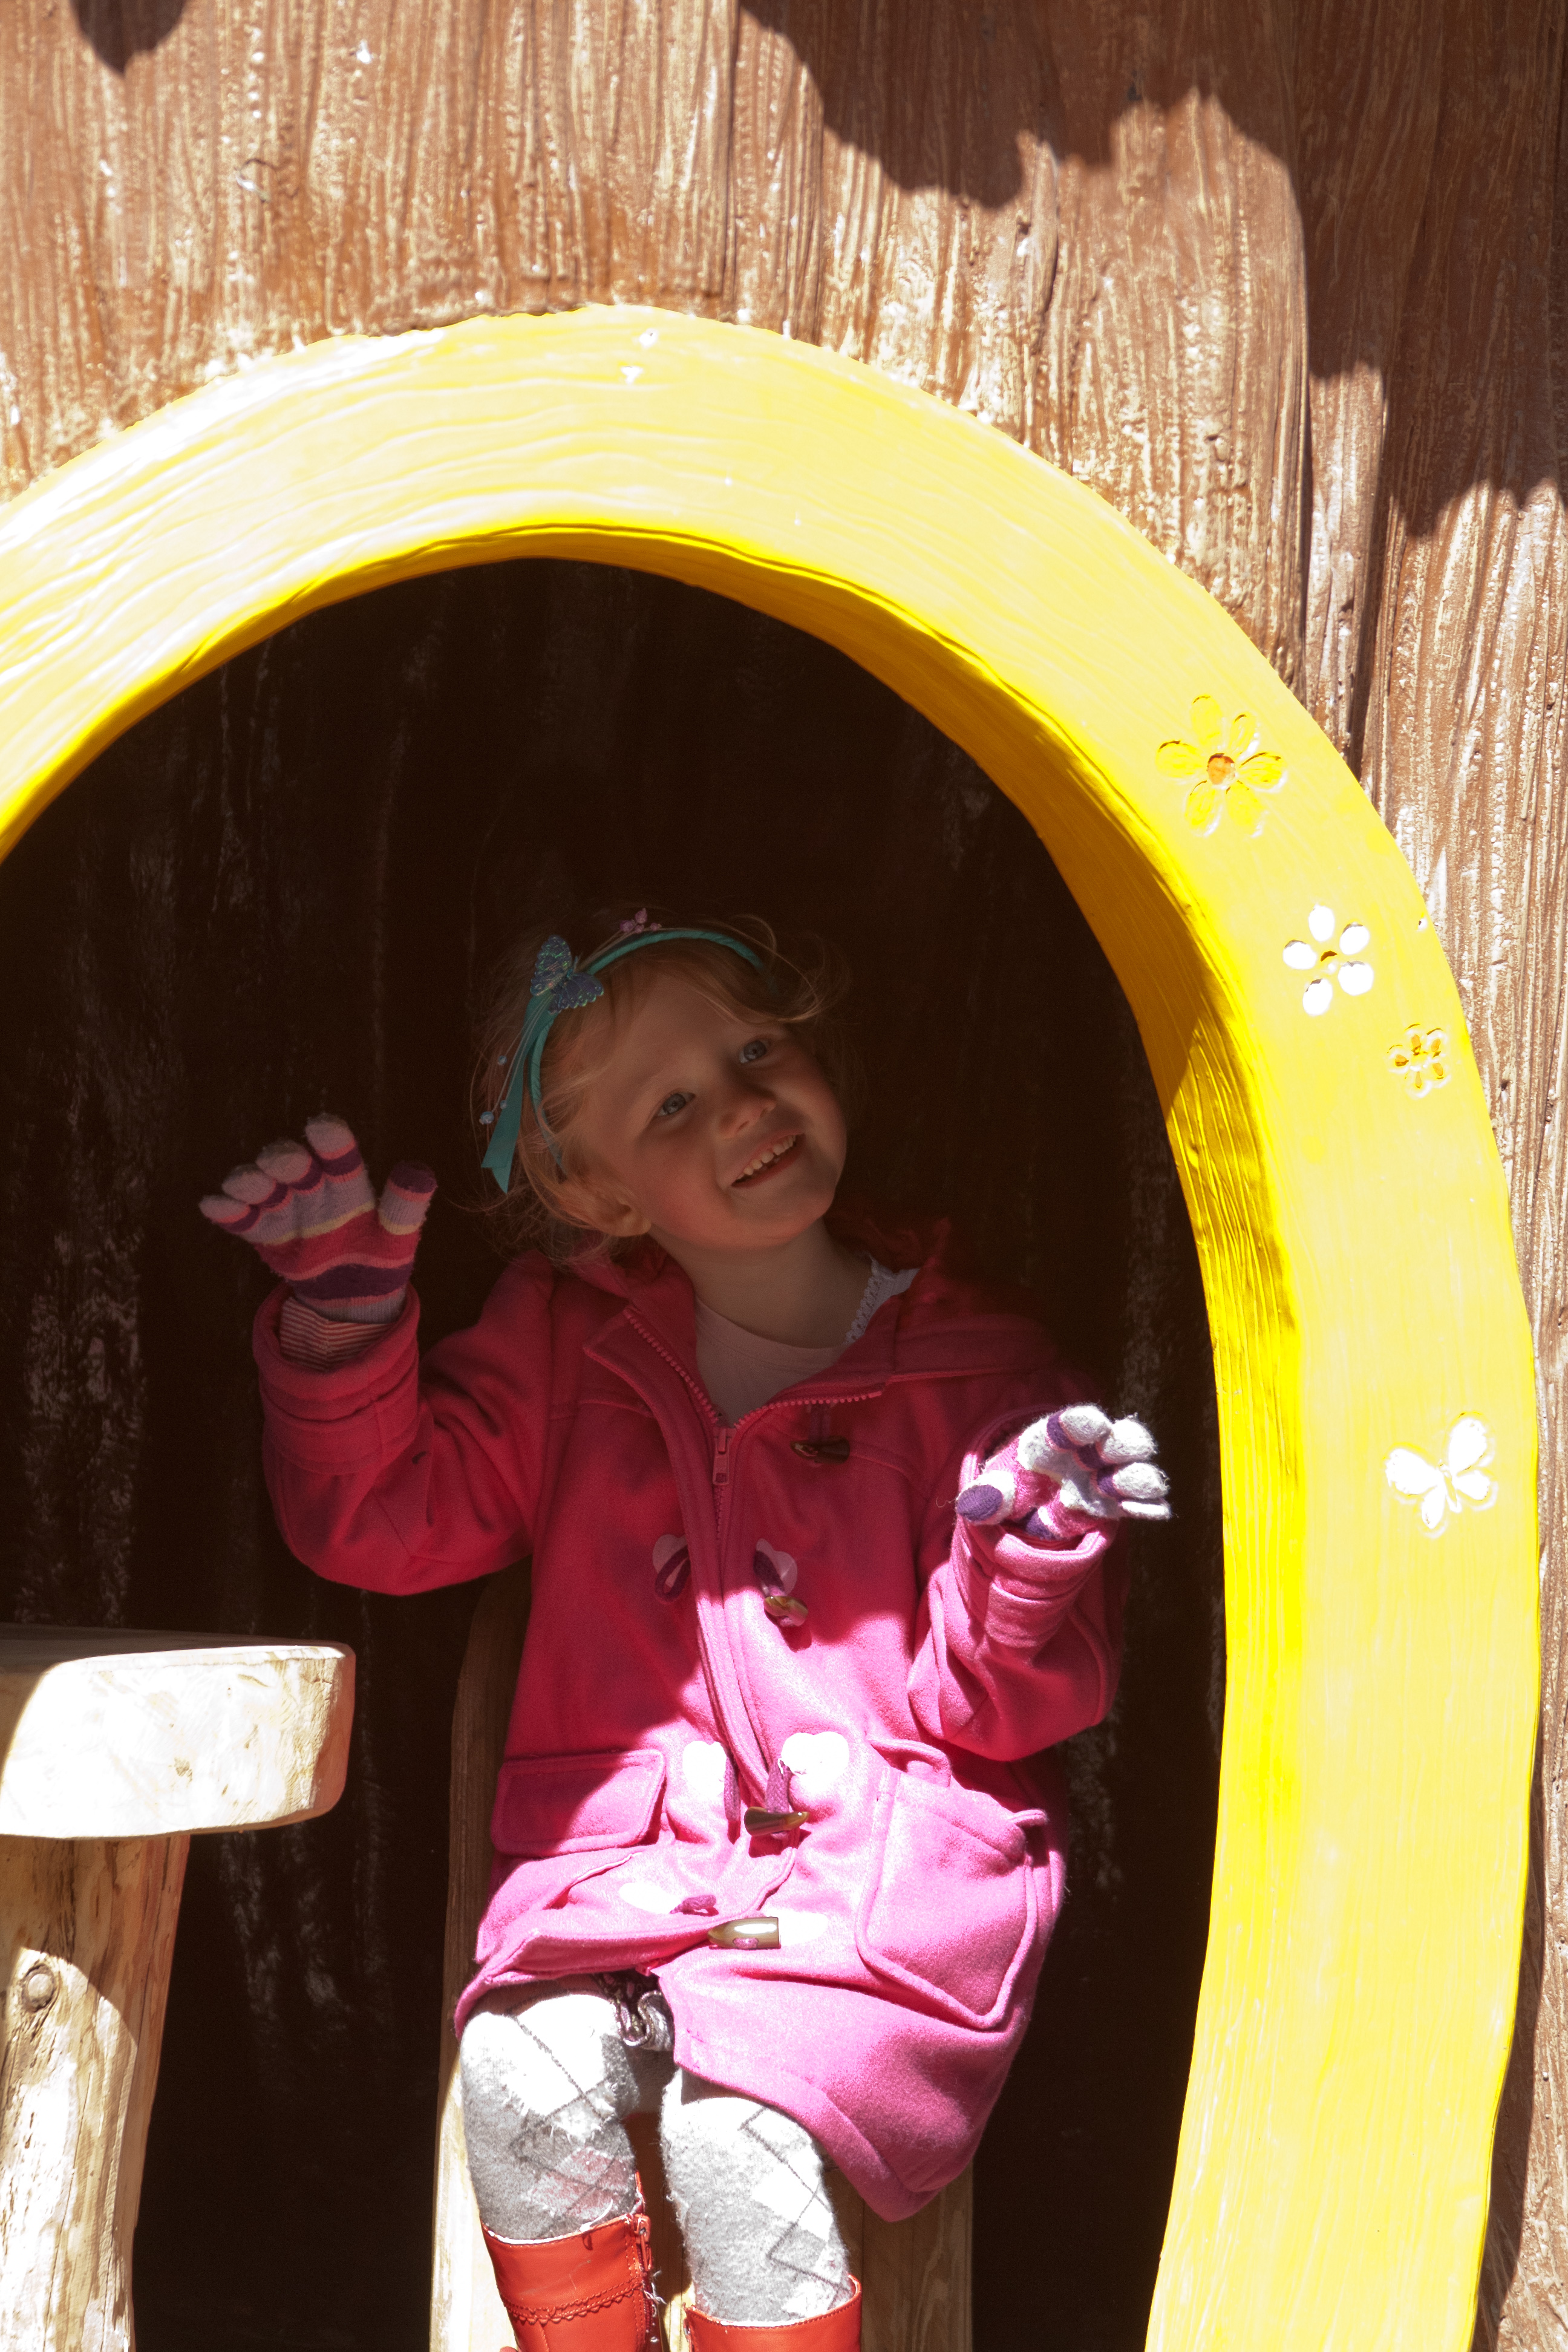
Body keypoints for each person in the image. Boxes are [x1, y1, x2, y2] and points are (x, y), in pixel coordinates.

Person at [200, 909, 1169, 2352]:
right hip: (624, 1878)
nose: (741, 1107)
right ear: (595, 1193)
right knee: (516, 2078)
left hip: (872, 1902)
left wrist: (1024, 1564)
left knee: (734, 2137)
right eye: (669, 1105)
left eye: (759, 1050)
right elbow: (389, 1520)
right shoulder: (570, 1346)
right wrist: (342, 1333)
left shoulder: (981, 1373)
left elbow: (994, 1708)